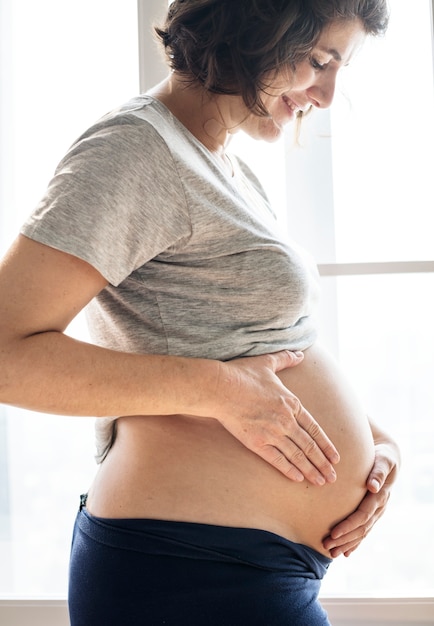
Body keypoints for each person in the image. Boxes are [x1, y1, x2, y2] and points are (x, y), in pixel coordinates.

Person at [0, 0, 400, 624]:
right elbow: (5, 354)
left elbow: (244, 344)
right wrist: (216, 390)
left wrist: (375, 443)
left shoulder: (223, 165)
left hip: (249, 567)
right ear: (257, 26)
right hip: (183, 571)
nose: (325, 94)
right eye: (320, 61)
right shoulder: (134, 150)